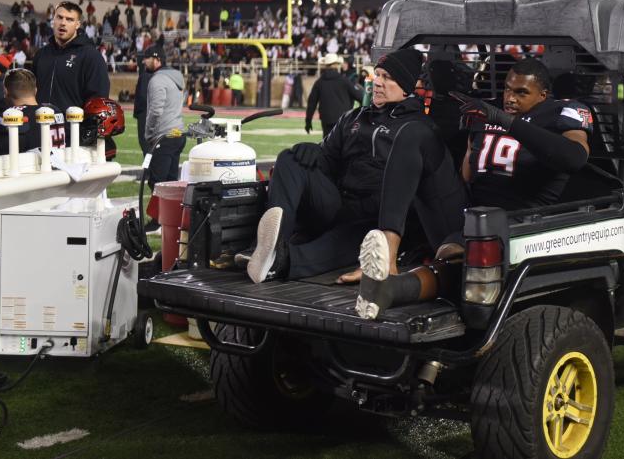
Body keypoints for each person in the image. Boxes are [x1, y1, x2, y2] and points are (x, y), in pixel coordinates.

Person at [353, 57, 595, 320]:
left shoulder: (562, 112)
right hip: (469, 213)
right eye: (508, 89)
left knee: (461, 260)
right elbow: (466, 174)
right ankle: (388, 257)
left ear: (543, 95)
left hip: (518, 223)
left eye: (522, 92)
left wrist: (507, 122)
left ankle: (392, 290)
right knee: (414, 133)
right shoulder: (486, 112)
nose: (510, 98)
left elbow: (575, 158)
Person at [242, 49, 468, 291]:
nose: (377, 82)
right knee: (290, 158)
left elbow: (416, 194)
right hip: (339, 204)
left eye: (387, 77)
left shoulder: (419, 130)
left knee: (331, 248)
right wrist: (315, 153)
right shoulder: (353, 118)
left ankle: (279, 262)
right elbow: (328, 162)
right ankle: (269, 246)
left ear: (406, 87)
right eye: (377, 74)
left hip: (373, 222)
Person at [33, 1, 110, 116]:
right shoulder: (41, 54)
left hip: (73, 131)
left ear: (77, 25)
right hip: (40, 129)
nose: (63, 23)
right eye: (59, 17)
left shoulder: (91, 56)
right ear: (53, 20)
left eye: (69, 19)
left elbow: (98, 100)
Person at [143, 45, 186, 231]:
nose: (143, 61)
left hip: (164, 135)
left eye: (146, 58)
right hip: (178, 133)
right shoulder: (176, 77)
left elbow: (156, 110)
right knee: (171, 181)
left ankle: (157, 220)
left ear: (156, 59)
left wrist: (149, 133)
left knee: (157, 181)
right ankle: (172, 218)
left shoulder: (158, 80)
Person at [0, 68, 66, 156]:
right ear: (35, 90)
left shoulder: (10, 116)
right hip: (60, 165)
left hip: (30, 168)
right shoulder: (54, 110)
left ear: (6, 92)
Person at [305, 54, 363, 137]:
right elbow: (360, 97)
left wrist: (308, 121)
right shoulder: (344, 81)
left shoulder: (320, 82)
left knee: (328, 146)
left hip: (326, 120)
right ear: (337, 64)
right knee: (342, 146)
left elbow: (312, 103)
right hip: (343, 120)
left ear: (325, 65)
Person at [132, 50, 152, 155]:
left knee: (146, 145)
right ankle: (149, 169)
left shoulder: (145, 76)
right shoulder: (148, 75)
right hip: (151, 112)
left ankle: (148, 170)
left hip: (145, 113)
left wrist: (137, 113)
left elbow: (142, 97)